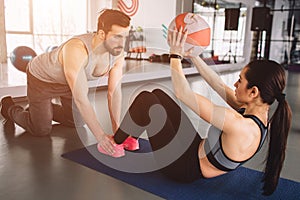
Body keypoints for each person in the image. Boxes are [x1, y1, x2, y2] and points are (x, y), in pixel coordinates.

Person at [98, 27, 292, 196]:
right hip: (197, 150)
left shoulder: (236, 123)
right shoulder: (260, 114)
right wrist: (194, 56)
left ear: (253, 92)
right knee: (157, 93)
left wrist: (175, 55)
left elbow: (183, 93)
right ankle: (131, 138)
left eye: (240, 80)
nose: (235, 83)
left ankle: (116, 142)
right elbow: (218, 85)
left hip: (184, 169)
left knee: (147, 100)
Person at [1, 9, 132, 154]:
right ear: (102, 34)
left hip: (68, 84)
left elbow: (113, 92)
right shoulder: (77, 49)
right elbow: (81, 98)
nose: (122, 43)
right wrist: (100, 136)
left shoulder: (117, 52)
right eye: (117, 37)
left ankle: (38, 109)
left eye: (125, 37)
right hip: (42, 79)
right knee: (41, 129)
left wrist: (117, 129)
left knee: (76, 122)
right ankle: (9, 108)